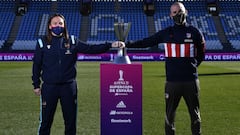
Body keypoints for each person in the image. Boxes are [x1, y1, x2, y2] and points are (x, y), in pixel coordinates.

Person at [31, 13, 124, 135]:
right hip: (49, 87)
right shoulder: (41, 42)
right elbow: (36, 65)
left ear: (64, 26)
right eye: (55, 23)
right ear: (49, 26)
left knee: (70, 121)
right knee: (45, 121)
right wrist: (36, 85)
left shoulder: (73, 41)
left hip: (69, 87)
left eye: (60, 23)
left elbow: (91, 49)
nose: (58, 25)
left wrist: (110, 45)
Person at [125, 2, 205, 135]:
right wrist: (127, 44)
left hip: (191, 82)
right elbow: (146, 42)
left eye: (179, 11)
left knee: (195, 116)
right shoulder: (166, 33)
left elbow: (202, 54)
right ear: (170, 15)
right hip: (172, 83)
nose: (177, 14)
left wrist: (192, 67)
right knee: (169, 117)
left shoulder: (195, 32)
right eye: (174, 12)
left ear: (186, 12)